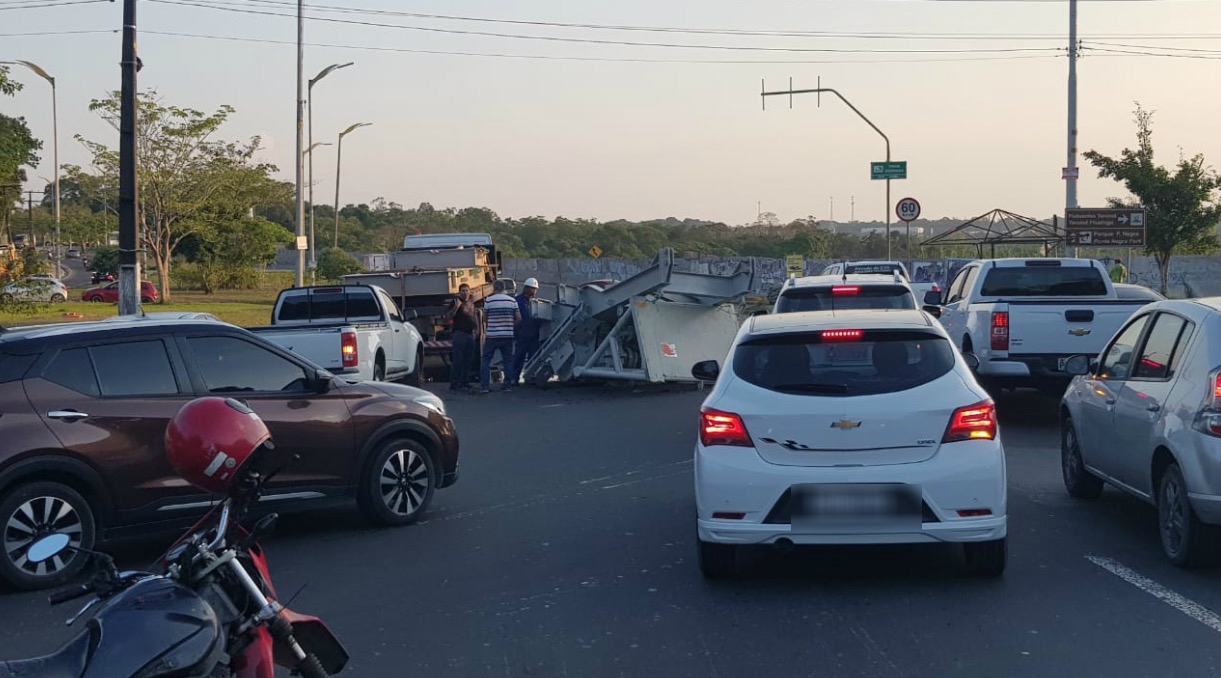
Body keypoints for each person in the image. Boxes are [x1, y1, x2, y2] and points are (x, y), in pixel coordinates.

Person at [480, 279, 520, 393]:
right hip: (507, 335)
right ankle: (507, 385)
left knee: (486, 360)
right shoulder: (512, 301)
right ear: (504, 288)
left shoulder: (489, 301)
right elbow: (519, 318)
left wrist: (491, 325)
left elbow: (484, 318)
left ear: (494, 288)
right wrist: (510, 326)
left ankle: (485, 387)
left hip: (492, 335)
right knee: (507, 360)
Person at [508, 278, 542, 387]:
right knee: (519, 357)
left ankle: (530, 377)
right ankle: (514, 378)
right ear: (526, 288)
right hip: (522, 335)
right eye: (533, 289)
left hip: (534, 335)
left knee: (533, 358)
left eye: (535, 289)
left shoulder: (535, 302)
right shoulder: (518, 301)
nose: (534, 291)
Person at [448, 283, 478, 393]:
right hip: (459, 334)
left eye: (466, 290)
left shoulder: (470, 301)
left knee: (468, 359)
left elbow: (474, 315)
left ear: (469, 291)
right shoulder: (455, 301)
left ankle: (465, 382)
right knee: (458, 359)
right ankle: (454, 383)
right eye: (463, 290)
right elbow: (449, 316)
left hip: (470, 333)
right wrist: (456, 307)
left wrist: (476, 329)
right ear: (459, 292)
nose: (465, 292)